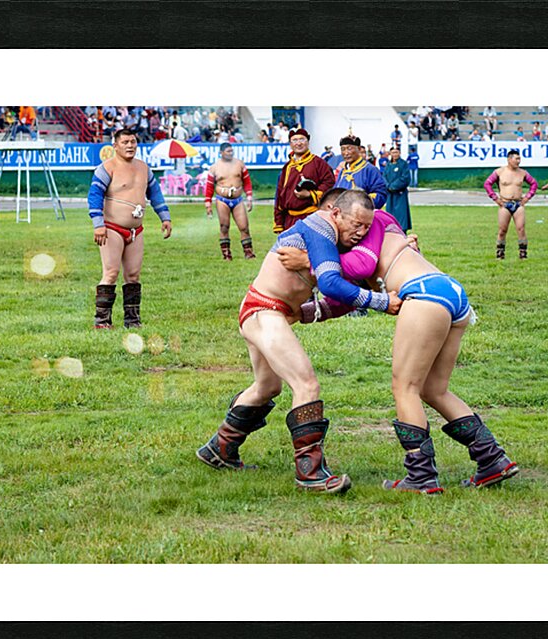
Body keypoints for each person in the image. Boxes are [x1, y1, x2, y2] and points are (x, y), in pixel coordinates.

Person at [279, 209, 519, 492]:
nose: (355, 229)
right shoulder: (380, 227)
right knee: (434, 390)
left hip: (423, 293)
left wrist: (309, 261)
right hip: (448, 289)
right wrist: (305, 313)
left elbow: (355, 270)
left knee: (405, 388)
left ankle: (421, 477)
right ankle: (492, 459)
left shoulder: (369, 228)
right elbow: (352, 297)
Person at [195, 191, 402, 493]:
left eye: (367, 228)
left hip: (262, 309)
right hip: (265, 310)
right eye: (356, 224)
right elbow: (331, 283)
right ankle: (310, 473)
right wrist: (381, 301)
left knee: (266, 388)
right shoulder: (319, 227)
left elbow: (338, 297)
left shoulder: (328, 233)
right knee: (306, 385)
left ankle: (219, 449)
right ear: (334, 213)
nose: (361, 233)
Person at [88, 129, 173, 329]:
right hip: (111, 228)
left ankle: (132, 321)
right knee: (111, 272)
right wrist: (98, 224)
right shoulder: (106, 168)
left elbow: (155, 194)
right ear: (115, 146)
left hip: (136, 230)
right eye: (125, 142)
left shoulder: (144, 168)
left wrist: (165, 217)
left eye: (133, 141)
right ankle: (102, 321)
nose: (130, 145)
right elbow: (94, 196)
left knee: (133, 275)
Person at [272, 128, 335, 233]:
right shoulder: (287, 167)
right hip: (290, 220)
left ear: (308, 142)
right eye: (295, 140)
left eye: (302, 139)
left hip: (313, 217)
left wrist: (311, 194)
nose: (299, 143)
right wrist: (279, 223)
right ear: (290, 144)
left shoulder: (318, 163)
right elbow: (280, 196)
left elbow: (329, 183)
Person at [204, 142, 255, 260]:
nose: (230, 153)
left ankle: (249, 253)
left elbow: (247, 182)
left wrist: (249, 197)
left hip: (238, 199)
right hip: (222, 200)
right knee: (224, 227)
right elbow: (209, 186)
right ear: (221, 153)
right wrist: (208, 204)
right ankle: (226, 254)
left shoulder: (239, 164)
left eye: (231, 151)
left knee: (244, 227)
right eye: (228, 151)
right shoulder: (215, 167)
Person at [483, 148, 538, 259]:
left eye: (519, 159)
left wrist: (527, 198)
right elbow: (487, 184)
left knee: (521, 229)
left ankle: (523, 254)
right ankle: (500, 253)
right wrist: (496, 199)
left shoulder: (523, 173)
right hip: (504, 204)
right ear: (509, 159)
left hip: (518, 204)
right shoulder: (499, 172)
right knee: (502, 230)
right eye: (516, 159)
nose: (518, 161)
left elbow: (534, 184)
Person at [334, 135, 387, 209]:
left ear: (358, 149)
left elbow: (380, 195)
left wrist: (360, 201)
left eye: (349, 149)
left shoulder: (370, 169)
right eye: (343, 149)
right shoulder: (342, 171)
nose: (346, 153)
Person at [384, 147, 412, 232]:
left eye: (396, 152)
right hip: (390, 194)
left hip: (400, 194)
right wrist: (388, 186)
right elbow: (384, 177)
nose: (395, 154)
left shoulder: (403, 164)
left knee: (401, 214)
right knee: (390, 213)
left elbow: (405, 178)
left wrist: (394, 186)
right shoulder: (388, 165)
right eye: (393, 152)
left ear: (399, 153)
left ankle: (402, 231)